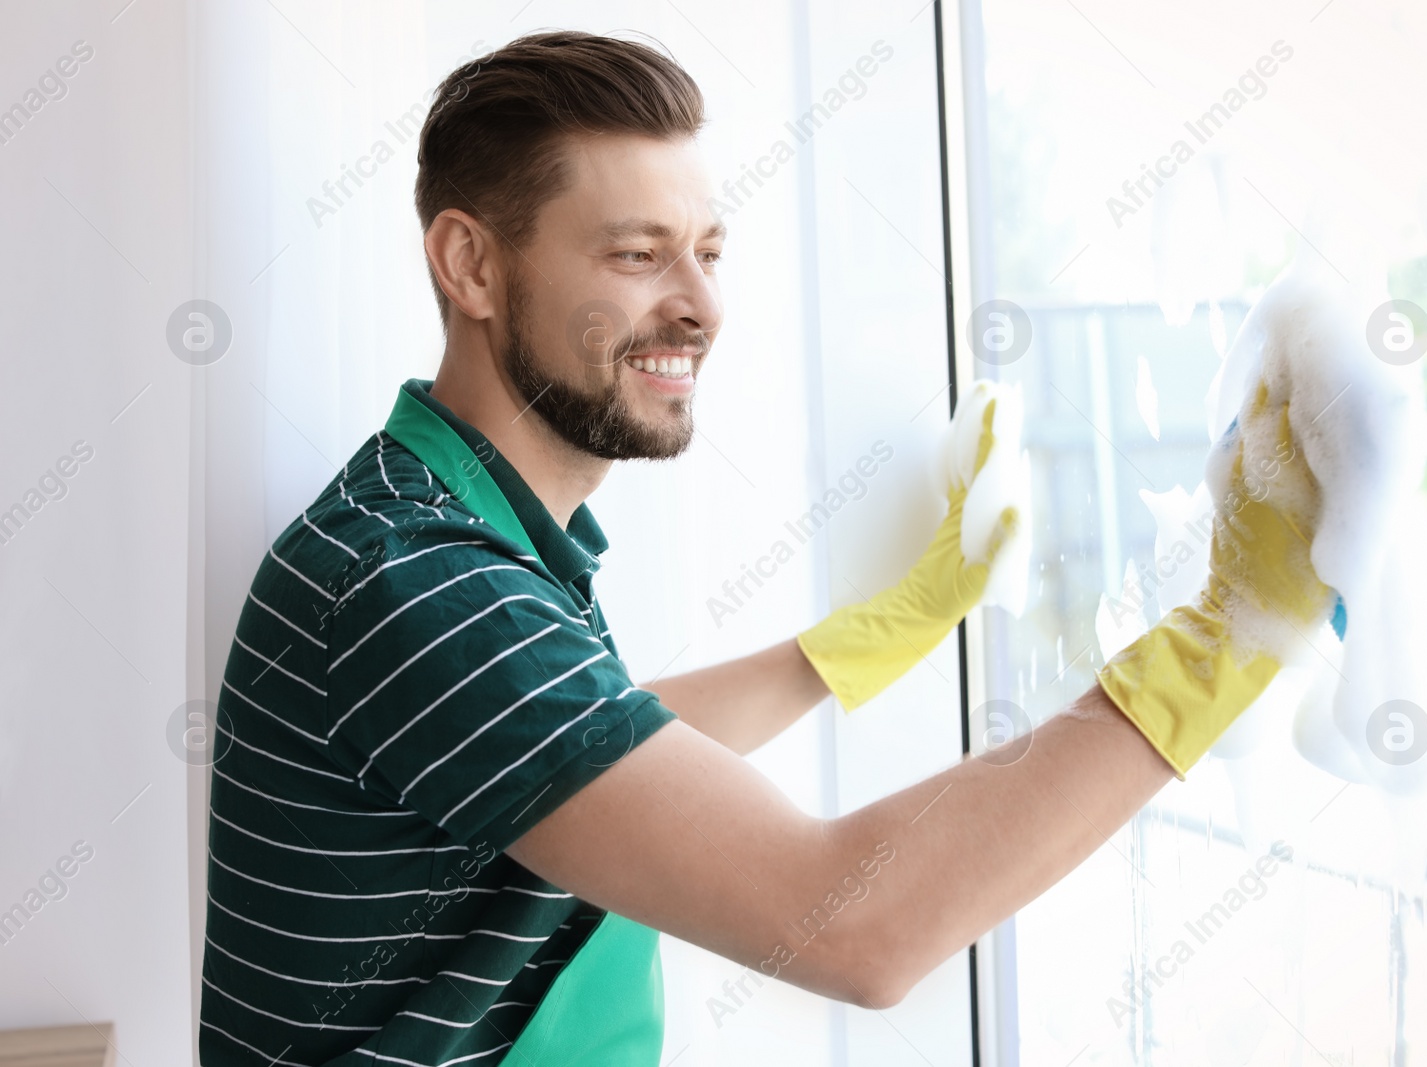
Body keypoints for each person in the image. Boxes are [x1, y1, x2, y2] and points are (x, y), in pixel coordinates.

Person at [197, 29, 1336, 1067]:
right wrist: (1226, 634)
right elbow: (851, 922)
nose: (700, 306)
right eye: (639, 255)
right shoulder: (418, 580)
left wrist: (880, 630)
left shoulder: (440, 517)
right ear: (475, 267)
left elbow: (595, 753)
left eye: (707, 250)